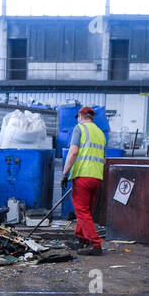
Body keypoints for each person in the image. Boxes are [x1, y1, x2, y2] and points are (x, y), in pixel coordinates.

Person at [61, 106, 106, 256]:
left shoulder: (79, 128)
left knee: (81, 211)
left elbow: (73, 152)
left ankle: (95, 244)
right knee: (86, 211)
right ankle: (80, 239)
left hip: (83, 175)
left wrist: (65, 173)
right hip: (96, 177)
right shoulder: (100, 133)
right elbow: (104, 159)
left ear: (80, 116)